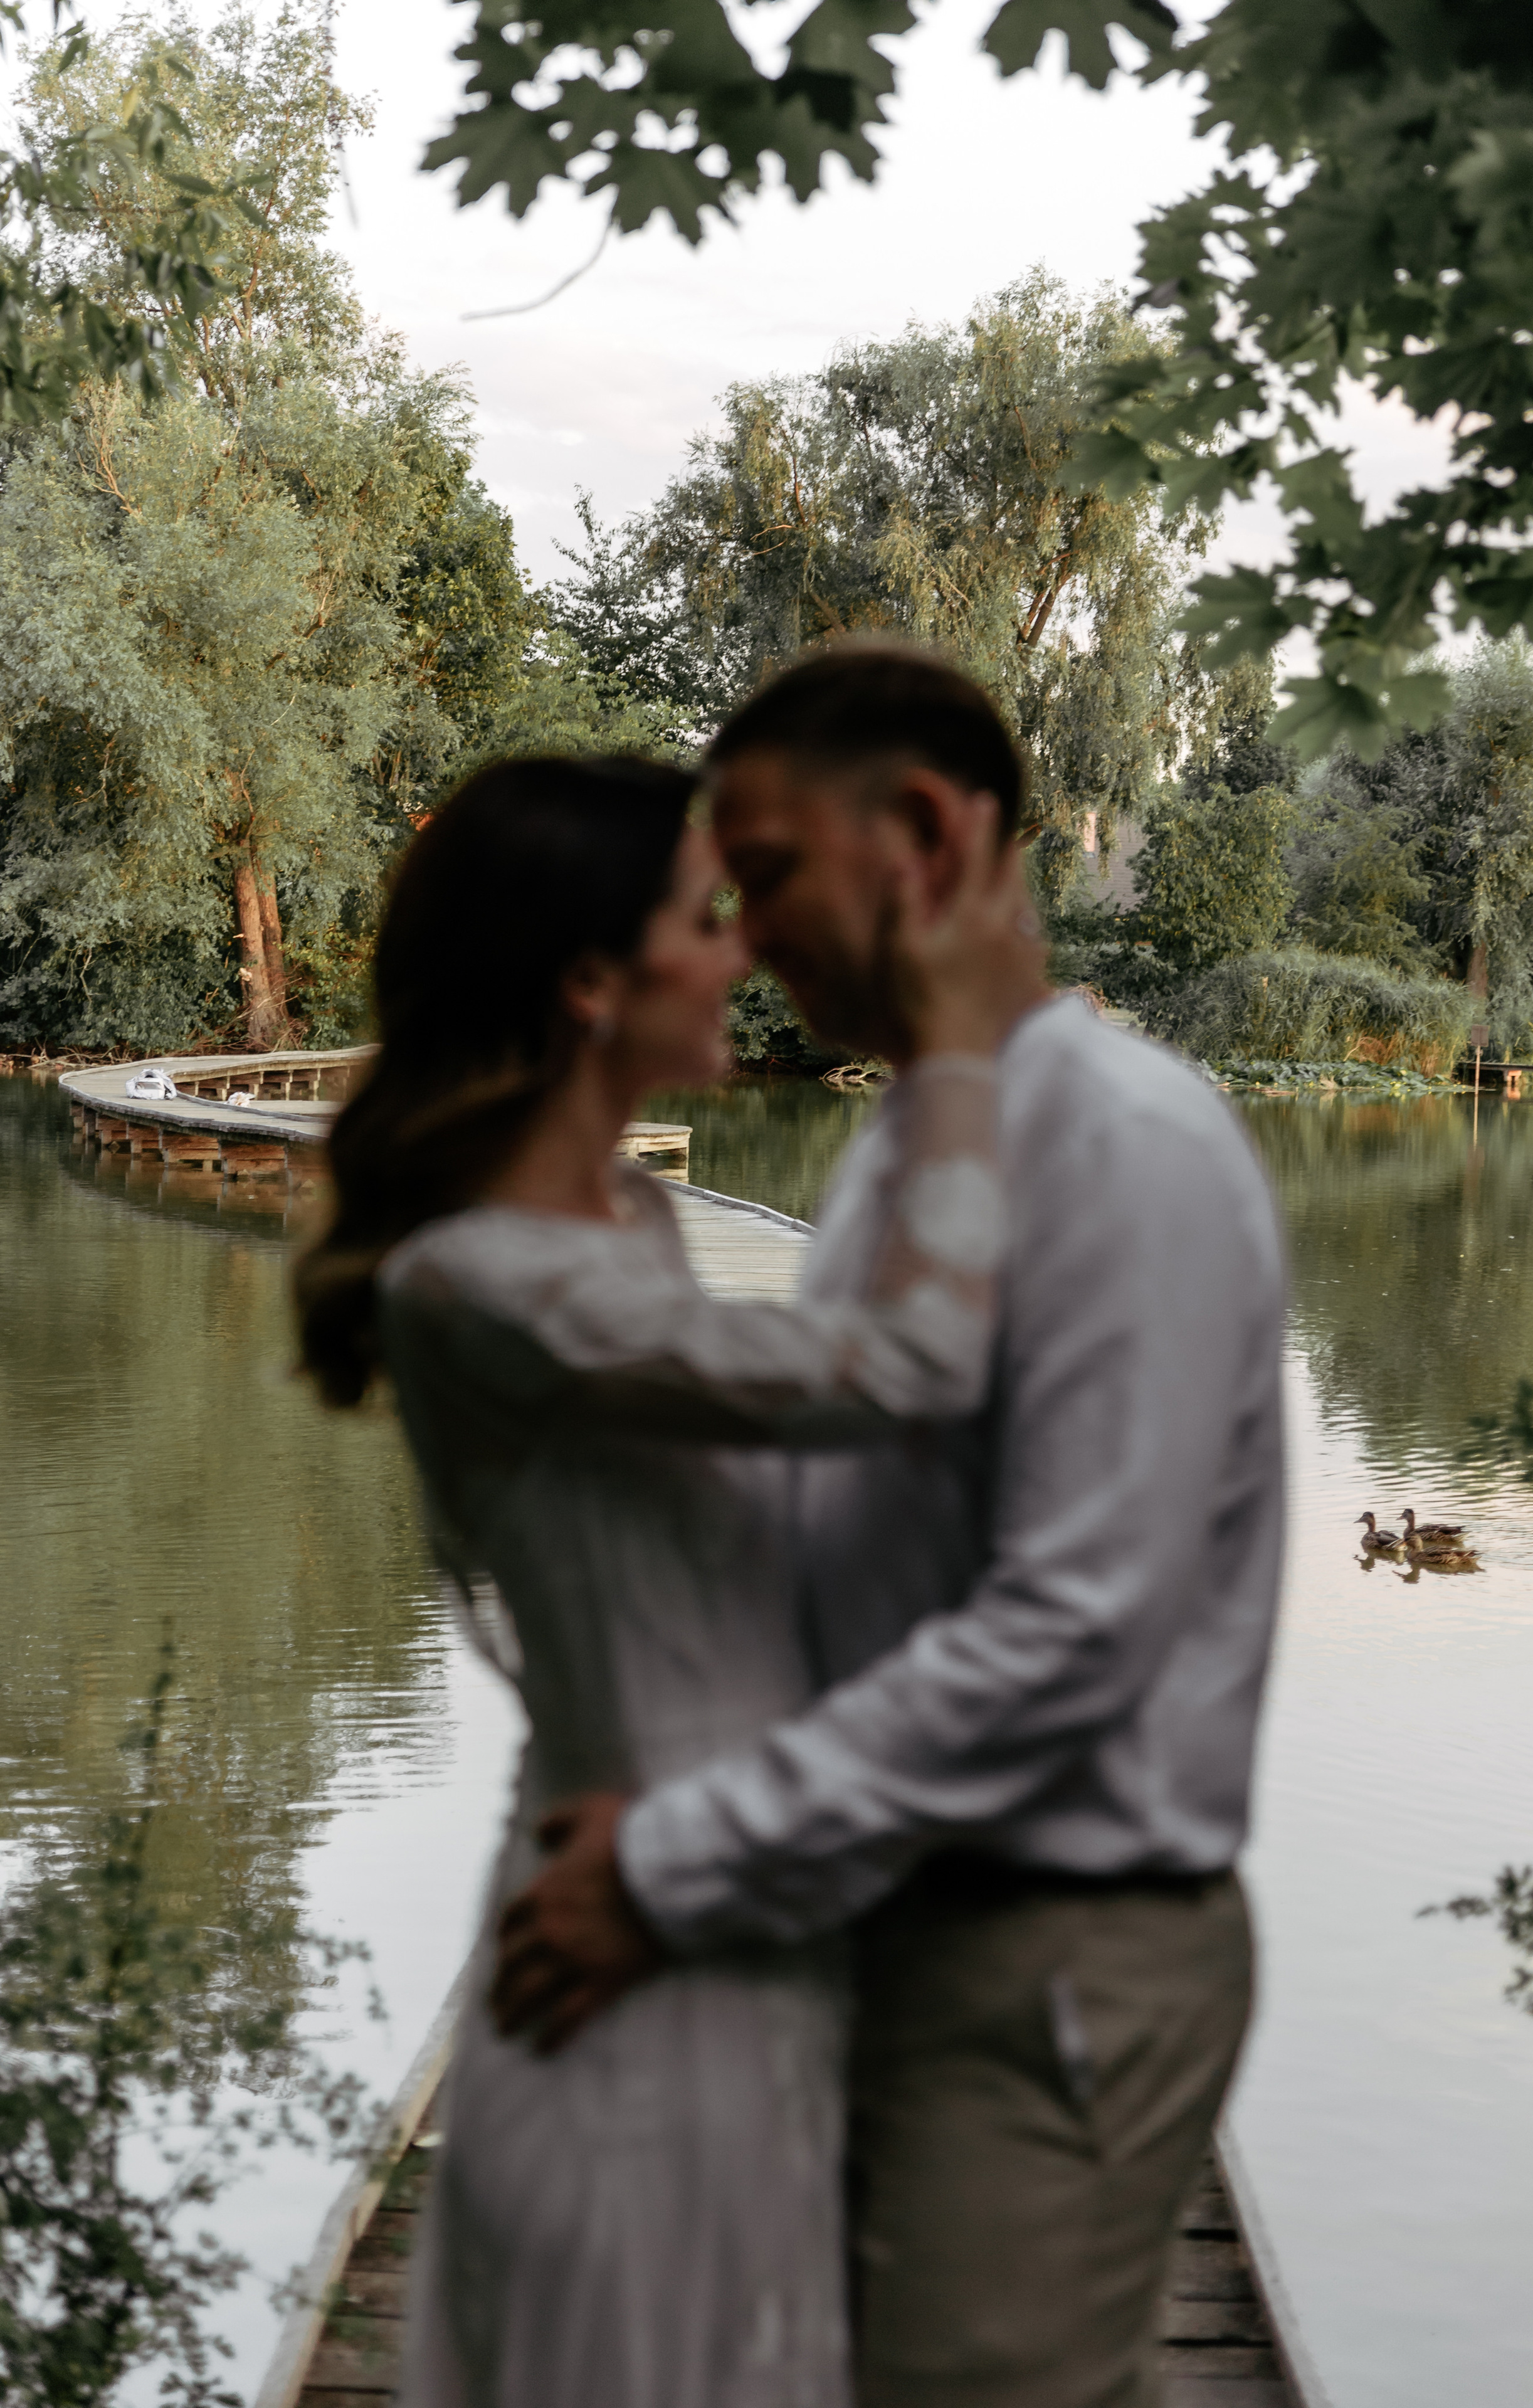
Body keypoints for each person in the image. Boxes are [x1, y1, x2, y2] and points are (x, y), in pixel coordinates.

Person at [496, 648, 1287, 2408]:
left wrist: (672, 1862)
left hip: (1041, 1960)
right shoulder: (904, 1158)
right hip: (880, 1921)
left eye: (765, 873)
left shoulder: (1123, 1149)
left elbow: (1074, 1635)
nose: (743, 932)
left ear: (925, 831)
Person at [293, 750, 1044, 2408]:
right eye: (708, 921)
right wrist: (965, 1048)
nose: (746, 953)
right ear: (588, 982)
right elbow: (915, 1362)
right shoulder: (481, 1284)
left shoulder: (631, 1223)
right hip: (623, 1960)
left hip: (731, 1908)